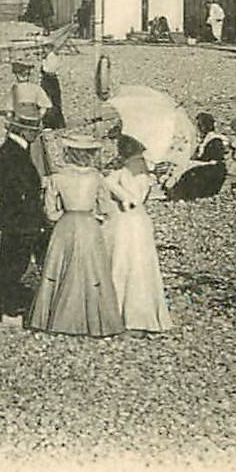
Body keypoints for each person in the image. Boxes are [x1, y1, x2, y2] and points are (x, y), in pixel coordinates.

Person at [25, 133, 124, 337]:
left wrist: (64, 215)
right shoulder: (97, 178)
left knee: (61, 266)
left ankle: (57, 318)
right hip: (88, 224)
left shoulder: (57, 177)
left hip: (66, 224)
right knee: (92, 270)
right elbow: (106, 207)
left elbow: (50, 211)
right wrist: (95, 216)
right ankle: (94, 321)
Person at [0, 103, 50, 323]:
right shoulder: (13, 153)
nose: (36, 134)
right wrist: (31, 199)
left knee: (10, 258)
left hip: (13, 215)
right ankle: (6, 305)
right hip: (20, 217)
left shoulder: (12, 149)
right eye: (34, 131)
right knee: (15, 260)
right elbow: (10, 186)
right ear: (25, 131)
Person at [103, 134, 172, 334]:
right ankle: (139, 315)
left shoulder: (128, 169)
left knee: (122, 263)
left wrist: (117, 188)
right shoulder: (144, 167)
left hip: (126, 220)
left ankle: (122, 314)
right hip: (139, 220)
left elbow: (127, 195)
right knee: (139, 265)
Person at [167, 112, 230, 200]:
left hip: (212, 170)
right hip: (208, 167)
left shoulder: (215, 140)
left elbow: (213, 159)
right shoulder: (206, 139)